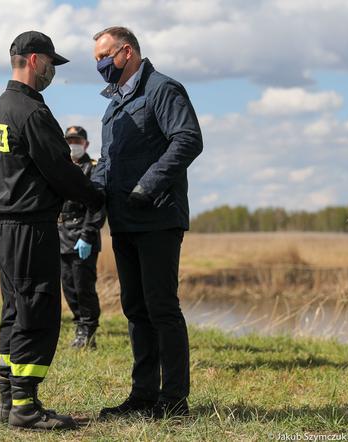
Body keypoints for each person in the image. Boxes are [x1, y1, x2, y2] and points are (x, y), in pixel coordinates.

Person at [0, 30, 104, 430]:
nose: (53, 70)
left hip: (3, 227)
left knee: (14, 310)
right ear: (34, 60)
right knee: (37, 312)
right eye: (51, 62)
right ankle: (25, 407)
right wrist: (98, 195)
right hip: (32, 228)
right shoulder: (32, 112)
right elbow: (62, 172)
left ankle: (6, 399)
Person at [91, 27, 203, 419]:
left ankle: (173, 400)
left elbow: (188, 139)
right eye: (96, 60)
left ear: (127, 51)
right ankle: (142, 395)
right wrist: (88, 196)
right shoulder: (113, 105)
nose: (100, 65)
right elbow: (106, 162)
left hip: (157, 216)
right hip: (123, 221)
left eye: (104, 56)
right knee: (135, 308)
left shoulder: (162, 89)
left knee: (161, 308)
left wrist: (148, 184)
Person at [58, 126, 106, 349]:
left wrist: (88, 234)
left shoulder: (93, 168)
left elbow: (97, 203)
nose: (72, 144)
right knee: (67, 285)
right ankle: (79, 326)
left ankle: (88, 330)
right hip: (62, 237)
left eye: (77, 140)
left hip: (82, 237)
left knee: (83, 286)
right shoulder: (62, 167)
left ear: (86, 144)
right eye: (69, 140)